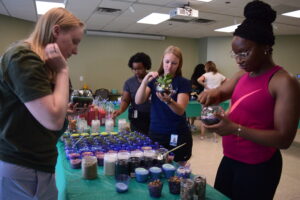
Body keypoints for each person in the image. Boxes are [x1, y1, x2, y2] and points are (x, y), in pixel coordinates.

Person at [198, 1, 300, 200]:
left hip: (259, 165)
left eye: (244, 53)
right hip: (230, 158)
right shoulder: (242, 75)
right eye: (235, 54)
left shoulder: (283, 82)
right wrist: (210, 95)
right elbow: (220, 93)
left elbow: (284, 139)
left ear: (266, 47)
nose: (239, 60)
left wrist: (235, 129)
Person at [0, 8, 84, 199]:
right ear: (56, 31)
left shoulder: (42, 64)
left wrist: (66, 112)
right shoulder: (23, 58)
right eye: (74, 41)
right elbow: (52, 121)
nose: (76, 50)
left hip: (36, 165)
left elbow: (35, 116)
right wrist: (63, 71)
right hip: (23, 166)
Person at [135, 45, 193, 164]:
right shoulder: (155, 81)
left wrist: (169, 101)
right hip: (156, 132)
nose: (169, 66)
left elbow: (180, 110)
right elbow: (138, 100)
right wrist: (145, 81)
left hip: (177, 133)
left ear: (179, 65)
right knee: (156, 167)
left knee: (177, 169)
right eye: (167, 62)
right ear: (162, 61)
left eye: (174, 63)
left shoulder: (183, 83)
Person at [112, 52, 152, 135]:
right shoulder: (129, 83)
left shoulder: (154, 80)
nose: (136, 71)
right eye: (134, 69)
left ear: (146, 67)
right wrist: (120, 110)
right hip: (136, 120)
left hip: (153, 118)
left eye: (139, 68)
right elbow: (126, 100)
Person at [197, 61, 226, 140]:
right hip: (216, 97)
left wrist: (206, 86)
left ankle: (202, 136)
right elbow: (227, 81)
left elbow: (199, 80)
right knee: (215, 116)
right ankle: (215, 138)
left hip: (206, 97)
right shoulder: (220, 75)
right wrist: (219, 88)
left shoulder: (206, 75)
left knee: (204, 115)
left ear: (207, 67)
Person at [189, 63, 205, 132]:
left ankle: (191, 124)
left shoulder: (194, 76)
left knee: (192, 111)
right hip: (201, 95)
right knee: (202, 110)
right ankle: (203, 125)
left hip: (193, 95)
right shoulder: (204, 77)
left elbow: (192, 86)